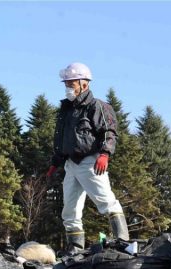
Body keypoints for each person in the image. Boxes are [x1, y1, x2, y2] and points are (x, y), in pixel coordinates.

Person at [46, 62, 128, 250]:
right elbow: (62, 139)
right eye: (66, 83)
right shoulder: (66, 110)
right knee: (70, 210)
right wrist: (55, 162)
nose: (68, 87)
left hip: (90, 162)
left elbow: (108, 131)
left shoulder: (97, 106)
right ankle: (75, 248)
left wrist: (104, 154)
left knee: (106, 201)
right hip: (70, 164)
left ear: (84, 83)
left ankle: (122, 240)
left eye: (71, 83)